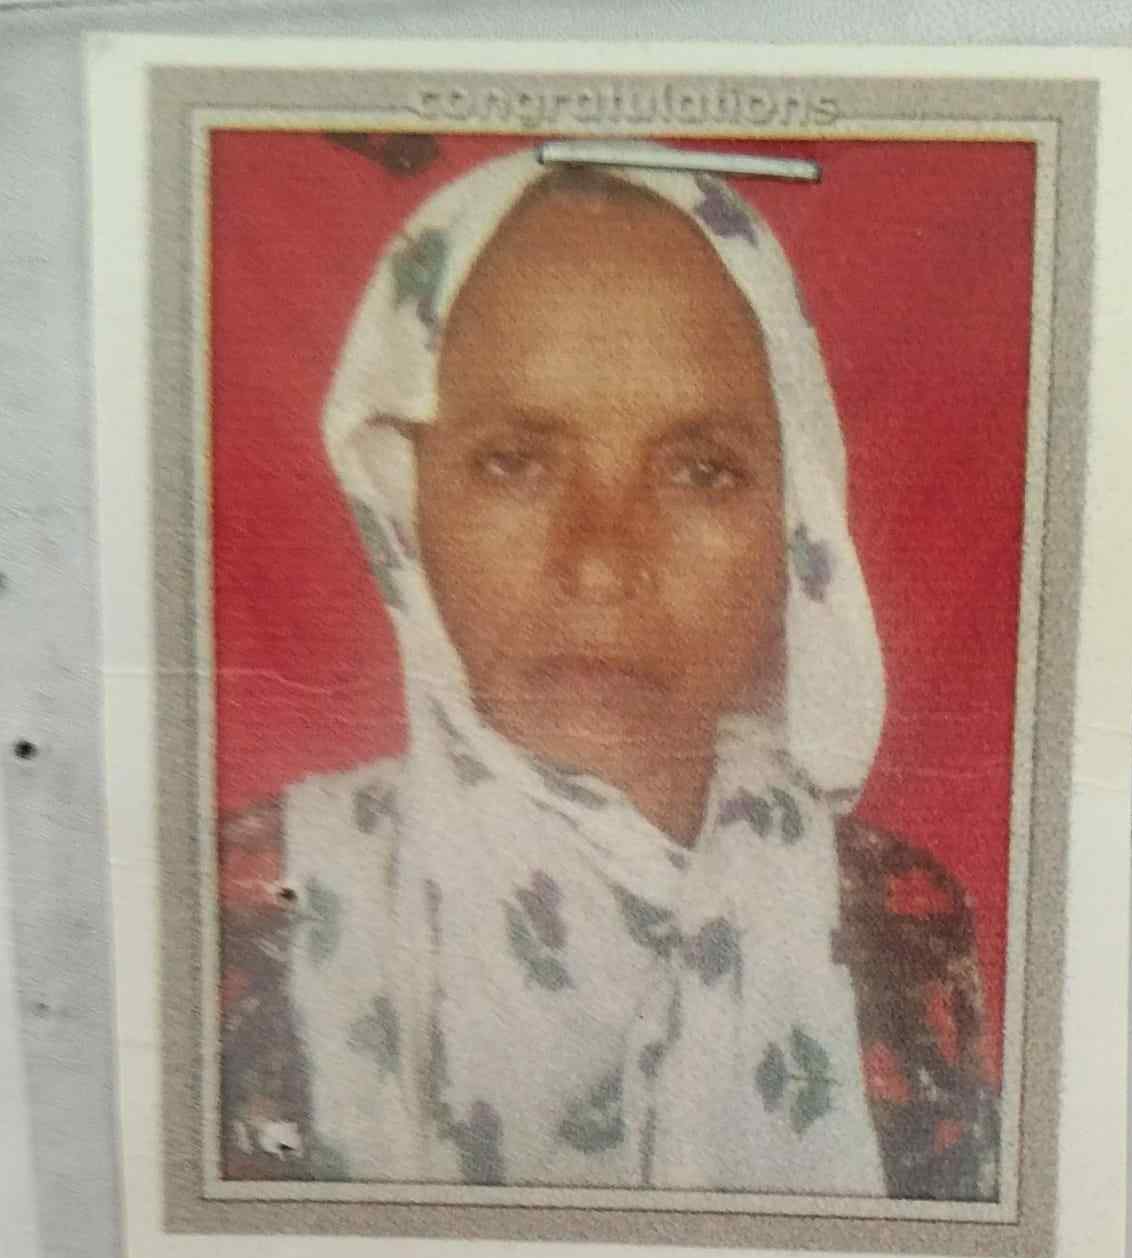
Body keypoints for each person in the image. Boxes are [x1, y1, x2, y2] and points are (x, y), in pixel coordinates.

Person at [219, 147, 998, 1200]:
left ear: (794, 524)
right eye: (515, 461)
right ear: (406, 502)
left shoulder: (894, 925)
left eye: (698, 471)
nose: (598, 560)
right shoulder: (249, 904)